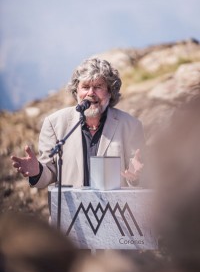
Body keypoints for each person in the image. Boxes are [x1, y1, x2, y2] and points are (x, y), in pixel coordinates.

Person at [11, 57, 146, 189]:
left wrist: (136, 177)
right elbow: (48, 174)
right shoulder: (54, 123)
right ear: (76, 92)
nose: (91, 93)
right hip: (72, 210)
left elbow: (139, 179)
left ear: (110, 91)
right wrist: (37, 171)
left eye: (98, 86)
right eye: (85, 87)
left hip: (115, 209)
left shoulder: (131, 126)